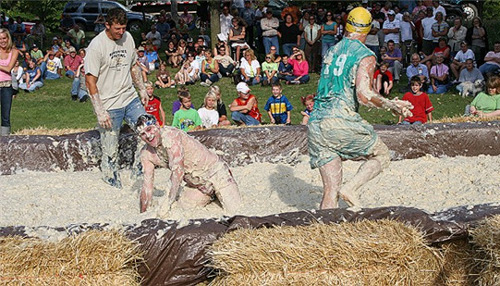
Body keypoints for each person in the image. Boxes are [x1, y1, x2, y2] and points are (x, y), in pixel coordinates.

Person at [307, 7, 413, 209]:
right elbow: (364, 96)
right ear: (369, 29)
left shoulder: (332, 50)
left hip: (317, 123)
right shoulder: (365, 55)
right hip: (340, 119)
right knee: (381, 155)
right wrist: (392, 105)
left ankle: (325, 235)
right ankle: (352, 188)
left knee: (330, 190)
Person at [85, 8, 148, 188]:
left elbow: (134, 66)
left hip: (129, 97)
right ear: (107, 25)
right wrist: (99, 110)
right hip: (109, 102)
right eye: (117, 29)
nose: (121, 32)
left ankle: (140, 169)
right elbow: (90, 80)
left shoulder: (128, 38)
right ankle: (111, 176)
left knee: (147, 130)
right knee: (110, 146)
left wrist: (142, 89)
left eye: (123, 28)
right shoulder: (97, 46)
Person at [135, 114, 241, 215]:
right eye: (143, 134)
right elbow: (147, 187)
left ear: (157, 125)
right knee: (181, 210)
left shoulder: (170, 136)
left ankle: (223, 192)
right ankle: (212, 197)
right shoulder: (146, 154)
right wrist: (144, 214)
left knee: (236, 211)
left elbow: (178, 172)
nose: (148, 136)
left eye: (149, 129)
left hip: (216, 174)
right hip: (197, 186)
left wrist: (167, 203)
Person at [0, 28, 19, 136]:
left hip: (6, 85)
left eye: (4, 38)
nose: (2, 41)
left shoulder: (14, 51)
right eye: (0, 39)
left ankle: (4, 140)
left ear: (8, 39)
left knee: (5, 115)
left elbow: (8, 68)